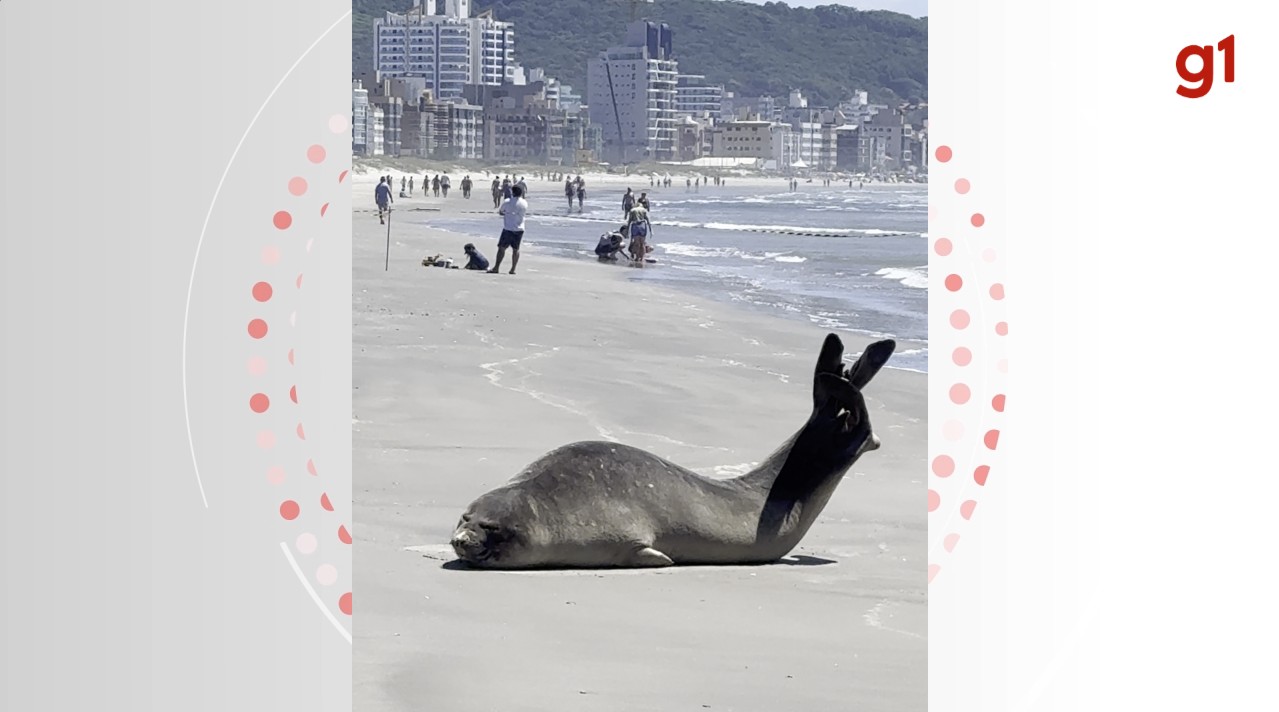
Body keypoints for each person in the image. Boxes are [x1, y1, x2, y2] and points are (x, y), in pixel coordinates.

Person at [489, 185, 527, 275]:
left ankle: (496, 267)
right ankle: (513, 269)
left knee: (501, 248)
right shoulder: (524, 202)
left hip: (508, 228)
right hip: (519, 228)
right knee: (516, 249)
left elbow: (501, 212)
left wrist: (507, 213)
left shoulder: (507, 201)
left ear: (512, 192)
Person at [625, 203, 652, 267]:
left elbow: (629, 221)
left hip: (635, 225)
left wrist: (627, 230)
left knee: (636, 243)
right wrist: (651, 230)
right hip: (642, 225)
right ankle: (642, 258)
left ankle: (637, 257)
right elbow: (648, 220)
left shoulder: (632, 210)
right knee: (642, 243)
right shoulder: (644, 210)